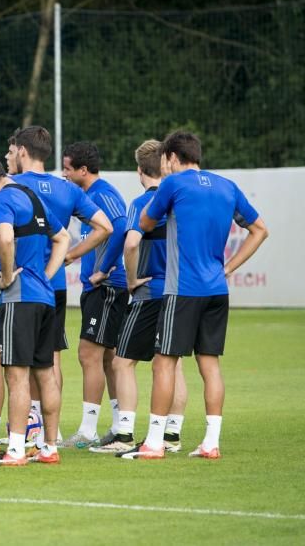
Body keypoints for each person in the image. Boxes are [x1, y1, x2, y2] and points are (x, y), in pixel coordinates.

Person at [124, 131, 268, 459]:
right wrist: (229, 268)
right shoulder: (226, 186)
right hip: (217, 288)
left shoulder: (172, 185)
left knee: (164, 363)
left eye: (164, 160)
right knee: (209, 365)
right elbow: (260, 230)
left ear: (172, 158)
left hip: (183, 289)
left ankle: (155, 442)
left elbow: (145, 222)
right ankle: (211, 442)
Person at [0, 154, 69, 467]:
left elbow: (4, 237)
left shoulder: (2, 199)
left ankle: (16, 450)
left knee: (16, 376)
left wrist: (6, 276)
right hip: (45, 298)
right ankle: (49, 447)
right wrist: (45, 275)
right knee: (45, 375)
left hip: (19, 299)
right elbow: (63, 237)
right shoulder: (30, 197)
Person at [6, 127, 113, 447]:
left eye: (12, 151)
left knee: (18, 365)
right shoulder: (66, 189)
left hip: (23, 284)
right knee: (50, 360)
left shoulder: (11, 186)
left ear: (22, 151)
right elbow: (104, 227)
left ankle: (30, 428)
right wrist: (68, 255)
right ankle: (49, 434)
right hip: (53, 285)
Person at [91, 140, 187, 454]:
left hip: (149, 293)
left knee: (122, 363)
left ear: (139, 170)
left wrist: (131, 280)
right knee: (173, 365)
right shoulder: (180, 203)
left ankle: (124, 434)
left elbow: (131, 243)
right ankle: (171, 436)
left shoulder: (142, 203)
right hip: (178, 293)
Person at [60, 141, 129, 448]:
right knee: (108, 358)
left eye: (67, 168)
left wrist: (103, 268)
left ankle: (87, 431)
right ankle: (118, 425)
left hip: (106, 287)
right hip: (99, 288)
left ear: (83, 170)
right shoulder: (89, 196)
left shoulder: (103, 193)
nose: (63, 174)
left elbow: (120, 226)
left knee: (88, 354)